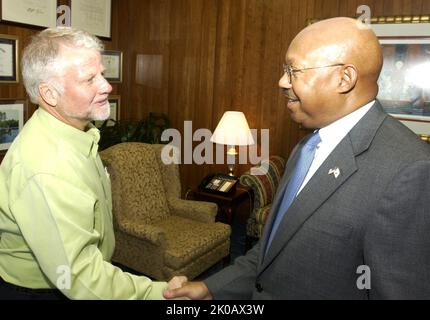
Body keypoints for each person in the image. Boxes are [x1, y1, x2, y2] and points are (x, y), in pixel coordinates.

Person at [164, 17, 430, 300]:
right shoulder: (305, 147)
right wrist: (210, 288)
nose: (282, 81)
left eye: (294, 70)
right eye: (284, 70)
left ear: (344, 78)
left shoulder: (409, 171)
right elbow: (273, 248)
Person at [0, 27, 169, 300]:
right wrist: (160, 294)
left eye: (101, 73)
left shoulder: (77, 133)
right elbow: (80, 277)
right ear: (50, 94)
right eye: (89, 79)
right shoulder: (48, 166)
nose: (107, 86)